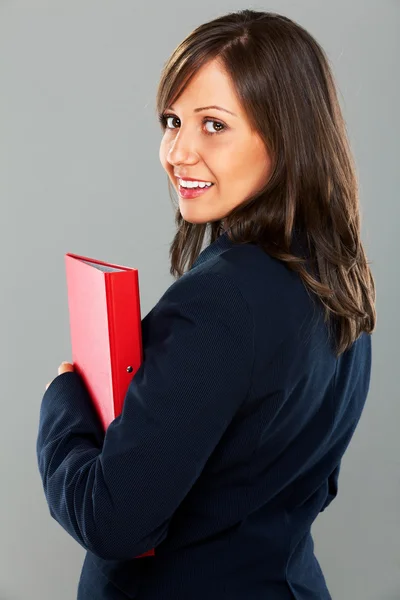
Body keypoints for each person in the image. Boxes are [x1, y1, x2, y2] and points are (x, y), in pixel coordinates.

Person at [36, 9, 375, 599]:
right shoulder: (336, 274)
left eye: (214, 125)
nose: (178, 152)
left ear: (286, 136)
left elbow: (112, 520)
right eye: (172, 120)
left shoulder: (221, 301)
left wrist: (62, 399)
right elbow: (302, 480)